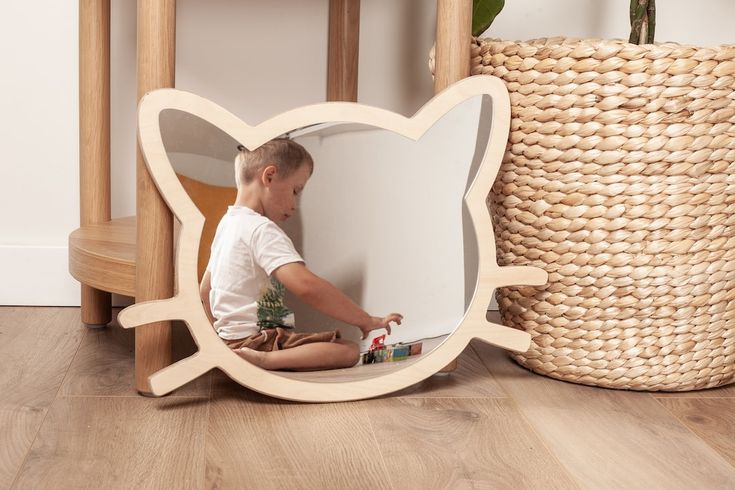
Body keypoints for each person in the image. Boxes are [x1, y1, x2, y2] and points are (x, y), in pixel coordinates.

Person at [199, 139, 402, 371]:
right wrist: (365, 320)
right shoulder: (261, 229)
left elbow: (206, 291)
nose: (295, 204)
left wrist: (220, 339)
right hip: (256, 342)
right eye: (295, 190)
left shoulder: (227, 225)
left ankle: (240, 357)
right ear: (269, 177)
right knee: (349, 350)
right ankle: (264, 360)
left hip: (229, 341)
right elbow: (306, 286)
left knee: (321, 343)